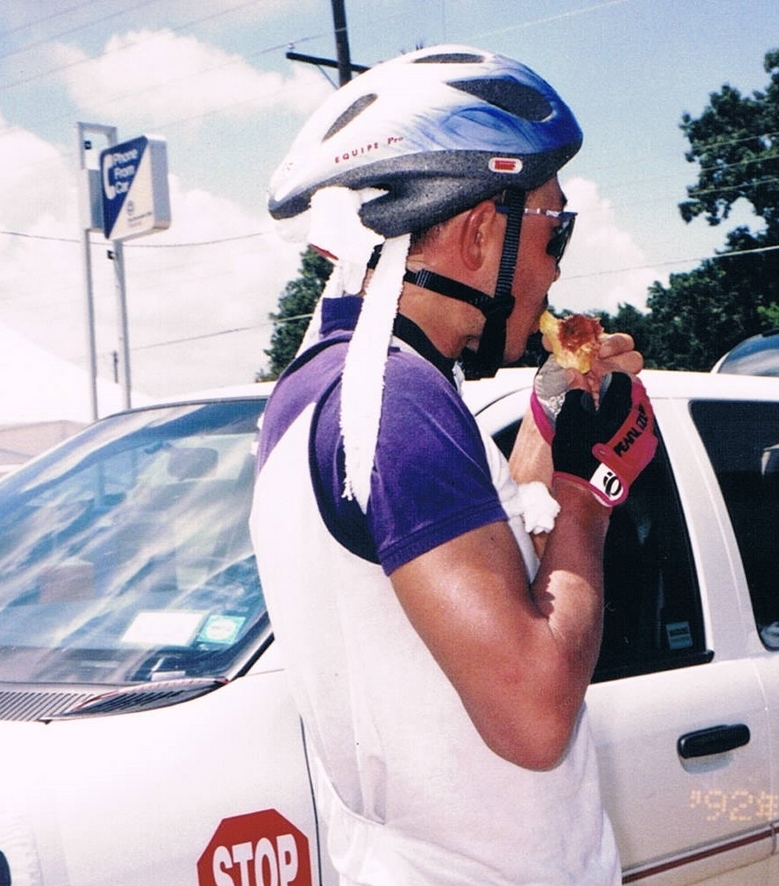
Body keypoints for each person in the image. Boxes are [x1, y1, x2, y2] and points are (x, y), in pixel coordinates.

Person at [250, 45, 657, 885]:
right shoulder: (397, 407)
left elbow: (480, 571)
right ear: (480, 231)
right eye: (556, 228)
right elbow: (535, 717)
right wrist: (593, 495)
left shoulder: (337, 386)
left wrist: (556, 410)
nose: (556, 266)